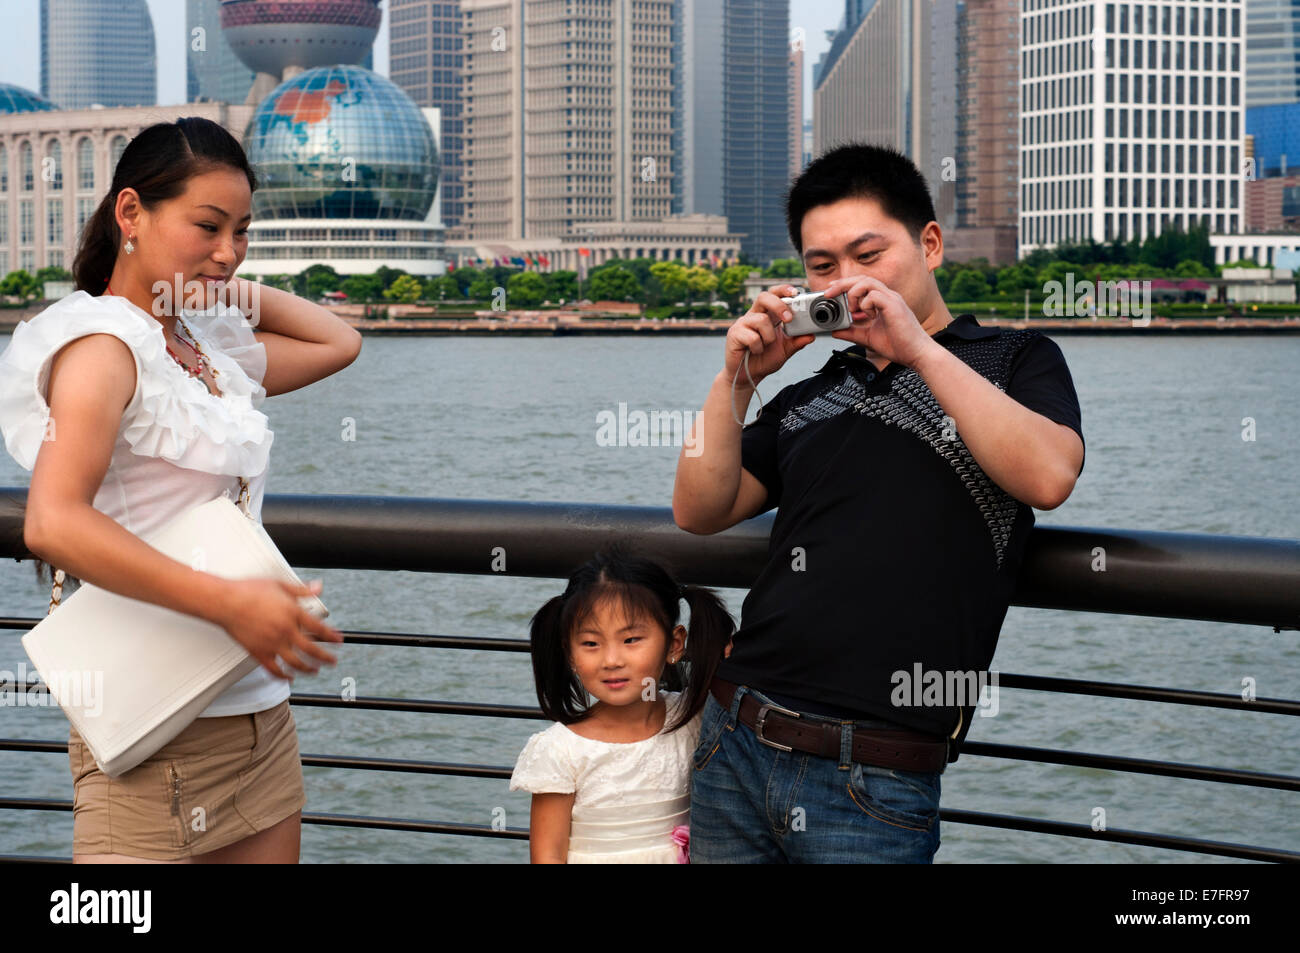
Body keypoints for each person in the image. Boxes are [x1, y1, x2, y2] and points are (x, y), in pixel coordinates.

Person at [672, 142, 1086, 863]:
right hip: (731, 738)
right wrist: (736, 380)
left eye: (869, 255)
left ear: (929, 244)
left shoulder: (1015, 358)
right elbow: (700, 508)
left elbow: (1049, 475)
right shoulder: (811, 389)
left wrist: (919, 349)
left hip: (877, 765)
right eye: (822, 266)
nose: (847, 282)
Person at [0, 117, 362, 863]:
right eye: (207, 224)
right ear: (129, 213)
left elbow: (340, 341)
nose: (229, 250)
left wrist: (211, 280)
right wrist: (232, 602)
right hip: (150, 732)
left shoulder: (201, 346)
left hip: (259, 720)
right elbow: (53, 523)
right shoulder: (101, 348)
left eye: (242, 231)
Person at [509, 547, 735, 863]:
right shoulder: (559, 749)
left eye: (631, 640)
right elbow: (548, 856)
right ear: (569, 653)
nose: (611, 660)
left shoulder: (695, 718)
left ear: (674, 644)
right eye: (590, 643)